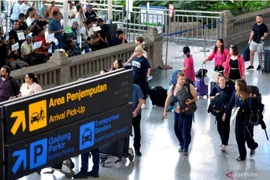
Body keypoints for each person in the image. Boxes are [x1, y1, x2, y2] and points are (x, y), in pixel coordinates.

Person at [222, 79, 258, 161]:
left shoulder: (249, 95)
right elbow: (231, 104)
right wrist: (225, 113)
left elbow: (250, 108)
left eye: (236, 85)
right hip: (238, 118)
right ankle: (242, 155)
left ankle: (253, 146)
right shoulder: (235, 94)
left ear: (240, 86)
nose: (234, 86)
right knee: (238, 136)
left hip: (247, 119)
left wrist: (252, 99)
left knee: (247, 137)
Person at [163, 72, 197, 155]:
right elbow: (168, 99)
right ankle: (181, 143)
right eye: (181, 79)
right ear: (177, 79)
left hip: (187, 112)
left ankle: (186, 147)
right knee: (177, 129)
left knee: (186, 130)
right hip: (177, 112)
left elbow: (196, 97)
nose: (183, 81)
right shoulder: (173, 87)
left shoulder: (189, 86)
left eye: (184, 79)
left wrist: (191, 101)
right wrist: (165, 111)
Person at [209, 75, 234, 152]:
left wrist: (227, 111)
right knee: (219, 126)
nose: (222, 81)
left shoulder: (230, 89)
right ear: (218, 81)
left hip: (226, 109)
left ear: (225, 81)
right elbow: (210, 97)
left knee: (226, 126)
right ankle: (222, 138)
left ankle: (224, 143)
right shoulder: (215, 88)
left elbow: (232, 101)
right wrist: (215, 96)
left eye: (223, 80)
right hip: (218, 110)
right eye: (220, 80)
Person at [132, 84, 144, 156]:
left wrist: (135, 111)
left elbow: (140, 101)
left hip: (136, 114)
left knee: (137, 131)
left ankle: (137, 148)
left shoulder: (137, 88)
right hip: (126, 114)